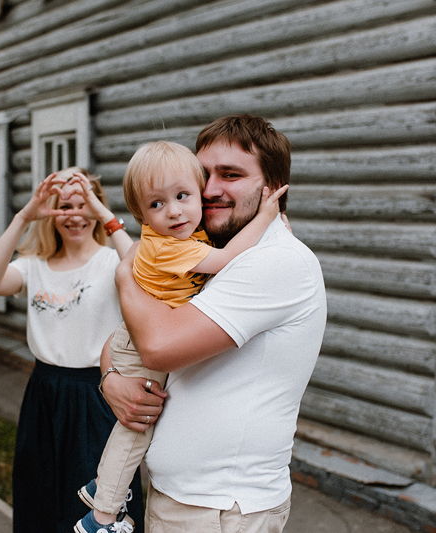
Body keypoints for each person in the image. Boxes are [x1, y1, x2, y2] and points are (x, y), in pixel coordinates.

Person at [101, 115, 327, 533]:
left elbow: (158, 347)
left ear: (273, 187)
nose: (209, 190)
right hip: (183, 500)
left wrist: (123, 276)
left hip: (222, 510)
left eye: (231, 175)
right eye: (204, 175)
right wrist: (112, 378)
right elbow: (132, 333)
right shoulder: (200, 249)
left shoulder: (275, 261)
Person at [71, 141, 287, 533]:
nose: (173, 211)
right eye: (157, 204)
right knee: (136, 430)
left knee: (136, 425)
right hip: (139, 343)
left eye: (184, 196)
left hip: (133, 337)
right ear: (142, 214)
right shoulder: (168, 246)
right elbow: (224, 260)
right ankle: (101, 515)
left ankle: (102, 488)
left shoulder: (179, 234)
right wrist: (266, 218)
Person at [0, 167, 144, 533]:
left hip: (97, 395)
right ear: (51, 213)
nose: (74, 215)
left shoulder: (111, 261)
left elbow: (142, 271)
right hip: (44, 392)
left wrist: (103, 213)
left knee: (97, 502)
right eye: (65, 206)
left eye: (84, 205)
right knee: (40, 496)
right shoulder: (33, 266)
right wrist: (24, 216)